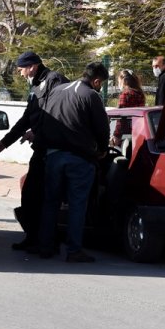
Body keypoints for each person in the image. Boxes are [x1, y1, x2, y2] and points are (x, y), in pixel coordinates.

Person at [0, 51, 68, 251]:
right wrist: (4, 143)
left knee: (43, 197)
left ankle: (46, 242)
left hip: (53, 149)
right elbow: (27, 117)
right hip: (41, 149)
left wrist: (38, 132)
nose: (21, 74)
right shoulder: (35, 86)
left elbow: (58, 114)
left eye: (22, 70)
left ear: (32, 66)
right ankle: (34, 237)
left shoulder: (55, 80)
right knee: (30, 195)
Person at [35, 62, 110, 263]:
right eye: (101, 84)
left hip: (53, 156)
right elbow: (102, 128)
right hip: (79, 158)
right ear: (96, 80)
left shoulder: (57, 91)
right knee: (78, 204)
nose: (100, 87)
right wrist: (102, 150)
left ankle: (45, 246)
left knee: (50, 202)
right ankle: (74, 250)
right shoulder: (91, 96)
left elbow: (43, 119)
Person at [110, 69, 144, 147]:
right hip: (138, 129)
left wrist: (116, 135)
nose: (119, 84)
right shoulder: (139, 93)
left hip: (125, 133)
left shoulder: (125, 94)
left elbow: (121, 117)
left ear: (123, 81)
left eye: (119, 82)